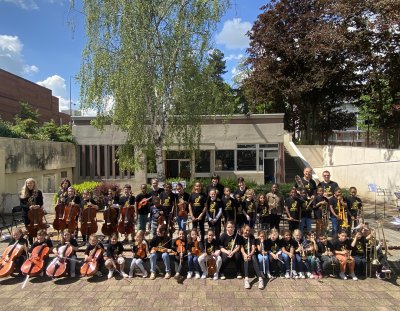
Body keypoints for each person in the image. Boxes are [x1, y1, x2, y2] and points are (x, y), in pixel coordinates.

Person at [19, 177, 44, 244]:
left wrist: (38, 206)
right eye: (28, 183)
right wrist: (29, 207)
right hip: (26, 214)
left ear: (34, 184)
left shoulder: (38, 192)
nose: (29, 184)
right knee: (29, 229)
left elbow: (41, 202)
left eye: (31, 183)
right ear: (26, 184)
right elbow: (21, 205)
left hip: (36, 213)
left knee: (38, 228)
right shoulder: (22, 192)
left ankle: (39, 241)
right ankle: (31, 242)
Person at [240, 224, 264, 289]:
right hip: (244, 253)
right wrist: (245, 255)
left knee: (253, 258)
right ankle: (246, 279)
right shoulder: (240, 237)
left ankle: (260, 278)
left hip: (251, 253)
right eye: (246, 230)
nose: (247, 232)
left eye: (249, 231)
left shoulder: (252, 237)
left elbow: (253, 248)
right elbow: (241, 248)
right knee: (246, 259)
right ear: (243, 230)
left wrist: (250, 254)